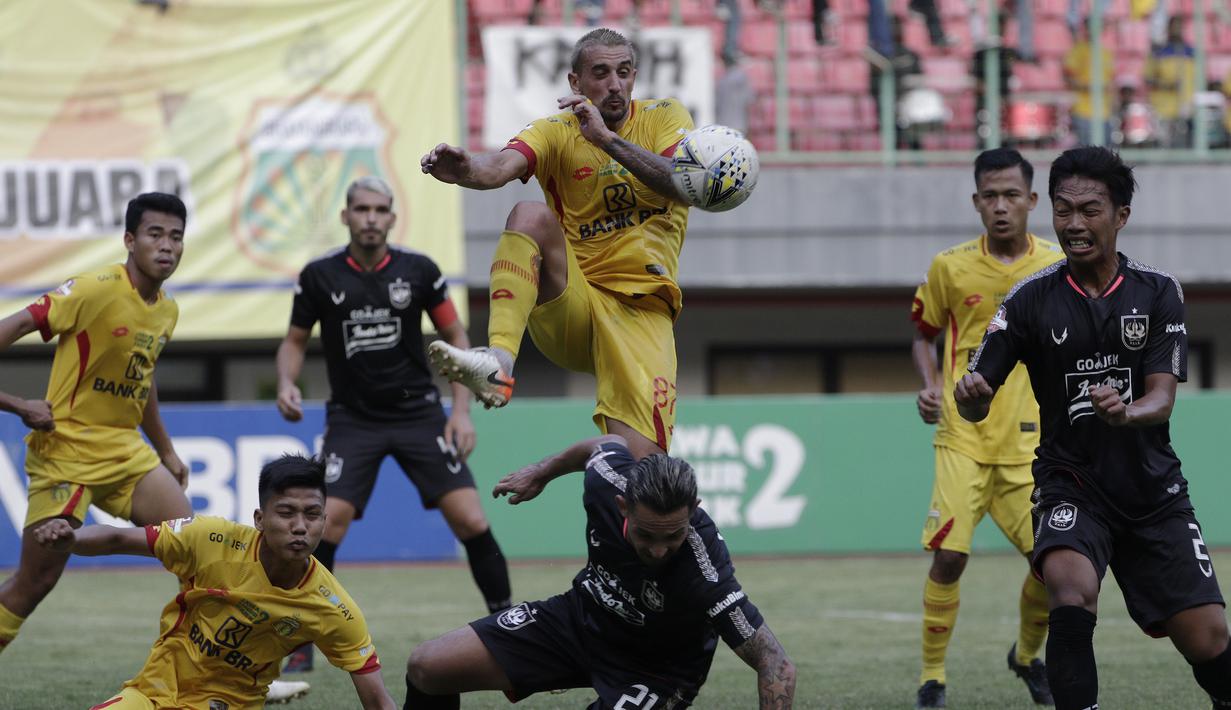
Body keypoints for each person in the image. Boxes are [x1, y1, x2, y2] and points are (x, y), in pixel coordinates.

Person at [957, 146, 1231, 709]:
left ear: (1121, 215)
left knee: (1210, 639)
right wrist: (970, 399)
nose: (1074, 224)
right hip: (1071, 483)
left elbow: (1161, 399)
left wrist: (1125, 413)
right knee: (1070, 590)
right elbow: (976, 397)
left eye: (1090, 210)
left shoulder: (1158, 291)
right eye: (1063, 211)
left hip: (1154, 493)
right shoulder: (1028, 300)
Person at [421, 27, 695, 460]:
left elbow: (682, 182)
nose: (614, 84)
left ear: (635, 76)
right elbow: (498, 168)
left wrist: (605, 140)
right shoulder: (556, 131)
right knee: (528, 215)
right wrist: (465, 169)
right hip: (577, 305)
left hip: (644, 312)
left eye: (623, 72)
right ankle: (499, 363)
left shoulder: (665, 116)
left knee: (644, 469)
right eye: (600, 73)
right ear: (575, 83)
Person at [275, 176, 512, 673]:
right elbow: (295, 340)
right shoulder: (319, 276)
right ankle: (301, 639)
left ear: (391, 217)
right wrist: (285, 383)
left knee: (470, 519)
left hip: (418, 414)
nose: (370, 218)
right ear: (345, 216)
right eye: (360, 209)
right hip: (352, 419)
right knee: (324, 525)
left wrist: (461, 412)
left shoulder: (420, 271)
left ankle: (509, 627)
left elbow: (456, 336)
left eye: (380, 209)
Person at [402, 434, 797, 708]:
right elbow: (604, 445)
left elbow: (775, 663)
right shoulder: (607, 481)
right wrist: (543, 471)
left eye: (673, 536)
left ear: (691, 512)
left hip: (656, 671)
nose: (658, 550)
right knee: (428, 666)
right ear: (623, 507)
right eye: (646, 535)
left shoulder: (705, 568)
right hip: (579, 620)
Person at [33, 454, 398, 710]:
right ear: (259, 518)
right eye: (285, 512)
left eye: (312, 514)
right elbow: (117, 539)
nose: (300, 526)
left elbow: (378, 701)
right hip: (152, 692)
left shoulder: (333, 608)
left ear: (323, 520)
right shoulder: (211, 539)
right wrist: (72, 539)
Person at [0, 192, 193, 656]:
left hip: (125, 450)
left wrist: (165, 450)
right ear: (129, 240)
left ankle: (229, 672)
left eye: (176, 236)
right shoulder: (95, 288)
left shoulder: (166, 309)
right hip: (63, 451)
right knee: (34, 583)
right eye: (154, 234)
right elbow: (13, 326)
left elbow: (141, 378)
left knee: (197, 548)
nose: (166, 245)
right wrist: (18, 404)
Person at [909, 148, 1062, 708]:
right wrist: (929, 386)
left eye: (1012, 196)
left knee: (1053, 563)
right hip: (963, 438)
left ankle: (1026, 657)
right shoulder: (949, 267)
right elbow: (924, 333)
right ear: (977, 202)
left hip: (1031, 445)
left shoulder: (1054, 267)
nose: (1001, 207)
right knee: (949, 557)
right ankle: (932, 676)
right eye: (990, 197)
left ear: (1031, 202)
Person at [1143, 16, 1196, 148]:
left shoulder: (1192, 52)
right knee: (1165, 147)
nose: (1177, 30)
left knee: (1184, 147)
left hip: (1186, 107)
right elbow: (1148, 78)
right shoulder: (1159, 51)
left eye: (1179, 27)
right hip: (1163, 107)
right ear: (1168, 28)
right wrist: (1166, 85)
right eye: (1174, 26)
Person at [1063, 18, 1115, 146]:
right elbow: (1068, 77)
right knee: (1086, 153)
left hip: (1104, 111)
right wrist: (1087, 87)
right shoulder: (1078, 50)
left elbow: (1110, 81)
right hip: (1083, 110)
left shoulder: (1105, 53)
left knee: (1104, 154)